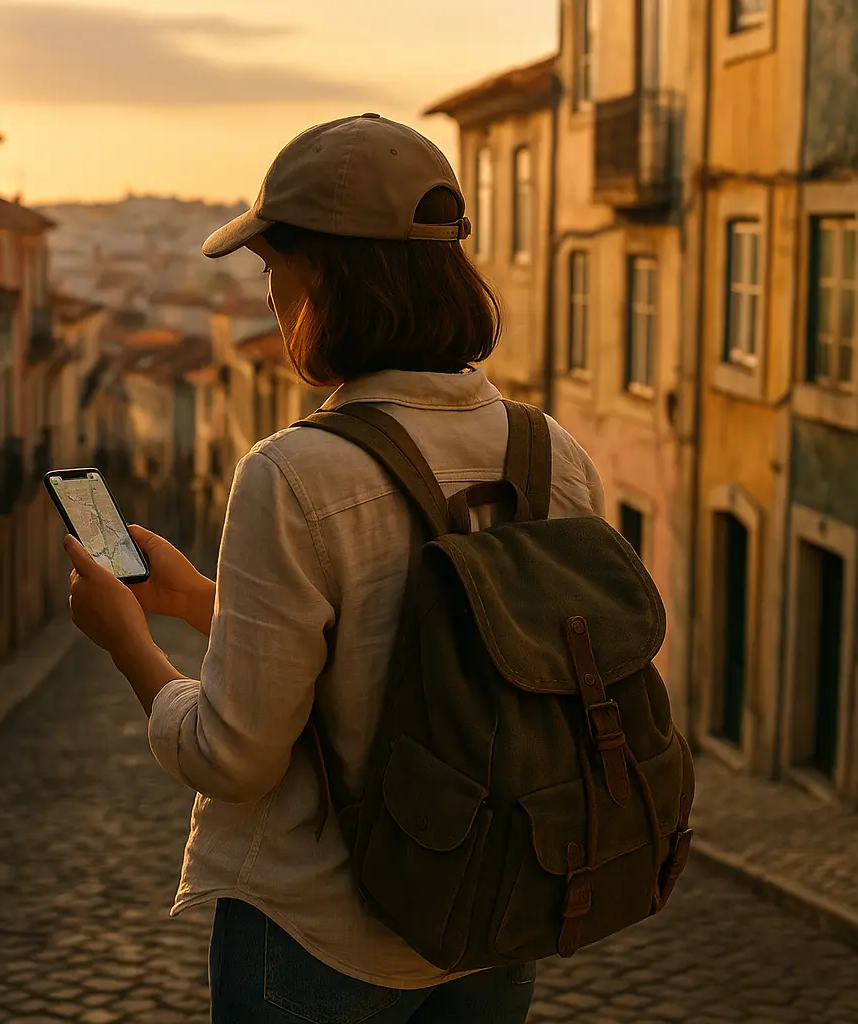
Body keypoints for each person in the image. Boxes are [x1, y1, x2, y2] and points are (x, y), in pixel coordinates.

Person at [64, 113, 607, 1023]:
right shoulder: (553, 454)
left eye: (276, 272)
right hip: (491, 918)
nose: (270, 300)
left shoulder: (293, 472)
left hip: (321, 939)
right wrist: (203, 602)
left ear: (327, 277)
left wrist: (131, 646)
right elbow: (427, 667)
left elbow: (234, 756)